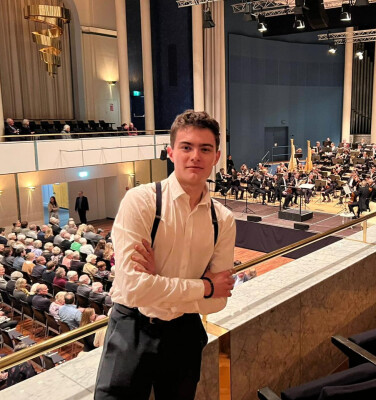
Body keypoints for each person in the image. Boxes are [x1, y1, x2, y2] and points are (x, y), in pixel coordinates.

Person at [95, 110, 236, 400]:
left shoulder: (223, 219)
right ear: (171, 153)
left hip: (184, 333)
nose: (195, 156)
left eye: (205, 148)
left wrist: (156, 283)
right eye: (186, 147)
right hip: (132, 327)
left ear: (216, 156)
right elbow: (133, 290)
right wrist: (205, 286)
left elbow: (219, 303)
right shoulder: (141, 201)